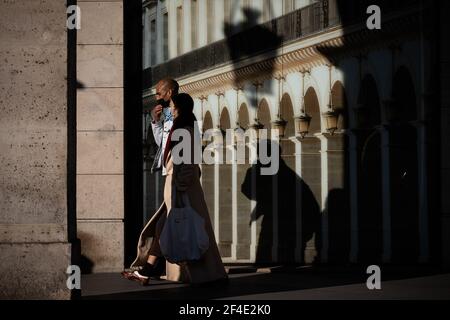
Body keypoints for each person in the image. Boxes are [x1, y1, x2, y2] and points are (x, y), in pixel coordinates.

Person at [123, 93, 228, 286]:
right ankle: (146, 272)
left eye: (171, 105)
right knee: (167, 227)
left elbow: (187, 163)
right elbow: (164, 143)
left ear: (178, 105)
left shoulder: (185, 130)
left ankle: (209, 274)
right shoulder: (180, 126)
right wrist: (156, 121)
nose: (169, 108)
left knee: (183, 229)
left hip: (181, 189)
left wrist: (180, 189)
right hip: (178, 187)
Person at [150, 78, 179, 174]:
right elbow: (163, 143)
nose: (156, 97)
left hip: (178, 169)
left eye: (159, 94)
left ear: (169, 92)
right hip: (168, 169)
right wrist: (156, 121)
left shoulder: (180, 111)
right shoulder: (167, 112)